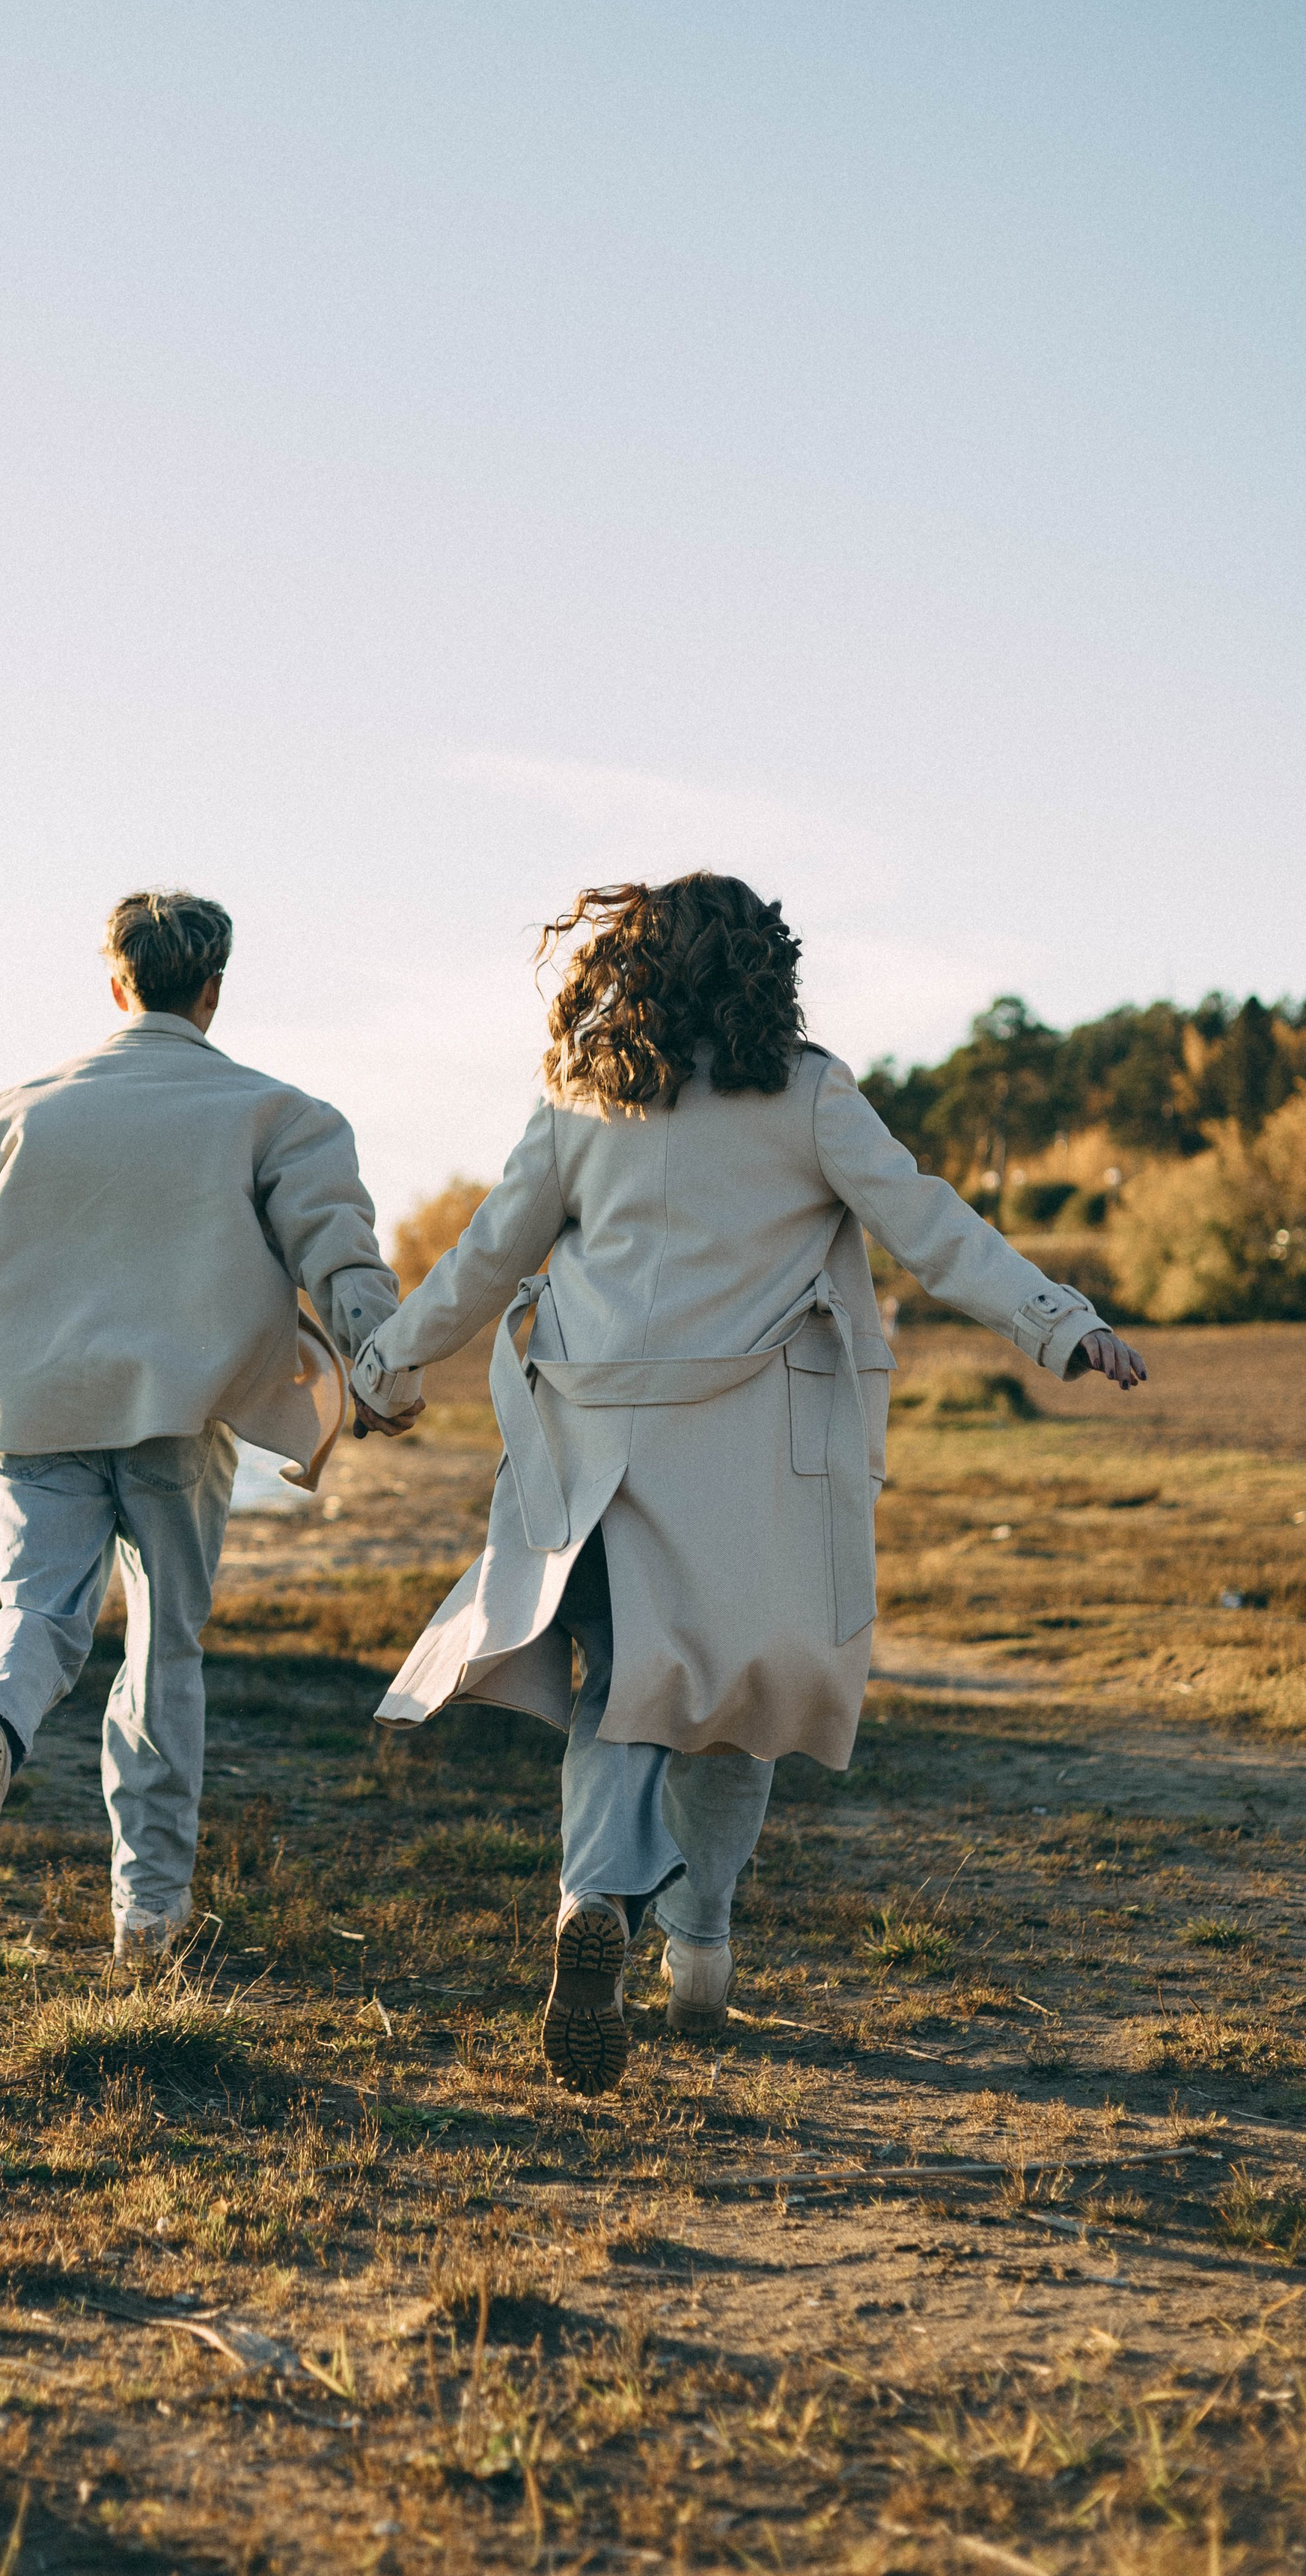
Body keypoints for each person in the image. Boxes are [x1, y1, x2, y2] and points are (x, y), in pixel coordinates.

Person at [350, 874, 1146, 2096]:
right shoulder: (811, 1094)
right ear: (768, 970)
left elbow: (478, 1260)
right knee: (744, 1699)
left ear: (636, 970)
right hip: (753, 1454)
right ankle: (702, 1954)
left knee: (620, 1687)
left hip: (601, 1448)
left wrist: (385, 1361)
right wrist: (1060, 1323)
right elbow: (933, 1231)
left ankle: (594, 1899)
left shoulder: (579, 1104)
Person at [0, 890, 400, 1962]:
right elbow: (339, 1257)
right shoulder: (276, 1112)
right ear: (212, 989)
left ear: (115, 983)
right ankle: (149, 1916)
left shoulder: (21, 1106)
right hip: (178, 1413)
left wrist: (42, 1292)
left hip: (36, 1402)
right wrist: (377, 1362)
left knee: (37, 1616)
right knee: (165, 1648)